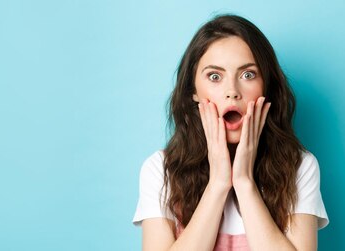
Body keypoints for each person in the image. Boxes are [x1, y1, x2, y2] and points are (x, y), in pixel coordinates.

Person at [131, 14, 329, 251]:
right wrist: (218, 183)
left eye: (248, 75)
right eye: (215, 76)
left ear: (267, 87)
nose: (232, 92)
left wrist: (244, 183)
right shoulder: (160, 170)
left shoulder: (300, 167)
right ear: (193, 91)